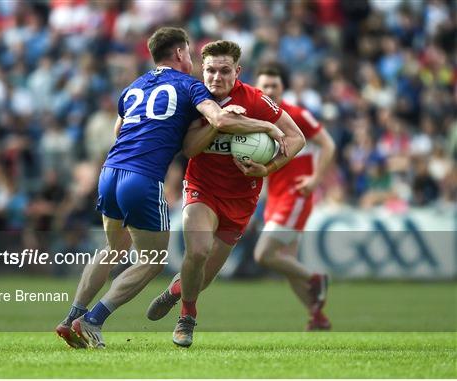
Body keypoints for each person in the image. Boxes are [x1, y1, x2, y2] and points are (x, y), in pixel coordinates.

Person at [55, 28, 289, 349]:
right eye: (193, 56)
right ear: (180, 54)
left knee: (113, 249)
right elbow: (219, 120)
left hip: (110, 171)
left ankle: (70, 318)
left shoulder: (134, 86)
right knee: (153, 260)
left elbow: (119, 128)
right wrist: (266, 127)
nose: (196, 65)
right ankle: (92, 320)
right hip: (144, 177)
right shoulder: (191, 87)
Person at [146, 41, 306, 347]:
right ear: (201, 70)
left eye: (224, 70)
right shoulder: (193, 97)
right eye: (209, 70)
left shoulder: (256, 100)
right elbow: (190, 148)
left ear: (237, 72)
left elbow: (296, 137)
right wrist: (219, 122)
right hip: (201, 189)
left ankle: (175, 292)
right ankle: (187, 318)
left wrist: (268, 168)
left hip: (240, 199)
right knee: (198, 251)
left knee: (201, 277)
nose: (216, 77)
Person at [252, 63, 335, 330]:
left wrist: (315, 179)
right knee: (287, 263)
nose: (269, 90)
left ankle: (315, 278)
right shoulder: (257, 118)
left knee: (263, 254)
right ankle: (317, 316)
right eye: (264, 85)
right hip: (275, 196)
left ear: (283, 88)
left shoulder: (296, 114)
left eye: (274, 85)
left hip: (296, 194)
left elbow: (328, 144)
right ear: (257, 87)